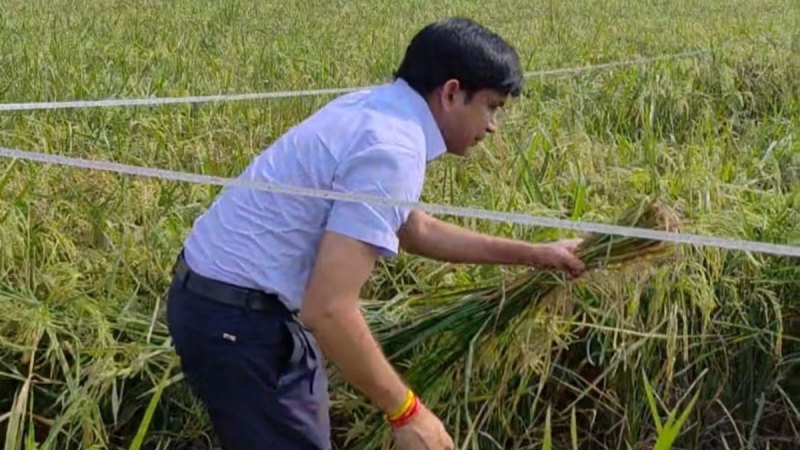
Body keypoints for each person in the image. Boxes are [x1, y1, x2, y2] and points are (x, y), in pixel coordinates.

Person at [165, 16, 585, 450]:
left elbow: (416, 227)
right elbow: (328, 308)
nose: (494, 125)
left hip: (223, 304)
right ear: (452, 93)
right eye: (493, 106)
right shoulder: (393, 147)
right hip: (236, 321)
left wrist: (537, 254)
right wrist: (408, 414)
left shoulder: (379, 109)